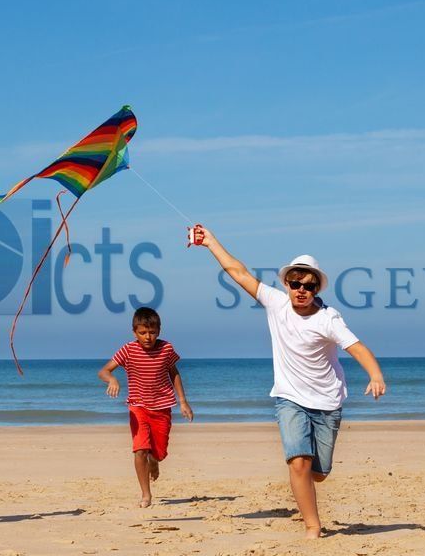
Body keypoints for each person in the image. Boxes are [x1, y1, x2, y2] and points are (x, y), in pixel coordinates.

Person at [193, 225, 385, 539]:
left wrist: (375, 374)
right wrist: (211, 241)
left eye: (309, 286)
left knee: (318, 474)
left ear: (316, 290)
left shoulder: (329, 319)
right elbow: (238, 273)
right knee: (298, 463)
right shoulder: (276, 303)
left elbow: (358, 348)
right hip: (289, 399)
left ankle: (307, 499)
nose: (301, 290)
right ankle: (313, 526)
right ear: (286, 283)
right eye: (296, 283)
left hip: (326, 403)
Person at [98, 307, 194, 508]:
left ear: (159, 330)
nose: (147, 337)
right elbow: (104, 371)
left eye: (152, 332)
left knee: (158, 452)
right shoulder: (128, 350)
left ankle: (154, 461)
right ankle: (146, 495)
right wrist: (112, 380)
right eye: (142, 332)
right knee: (140, 449)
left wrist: (183, 401)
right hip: (138, 406)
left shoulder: (166, 349)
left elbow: (174, 373)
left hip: (162, 407)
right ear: (134, 332)